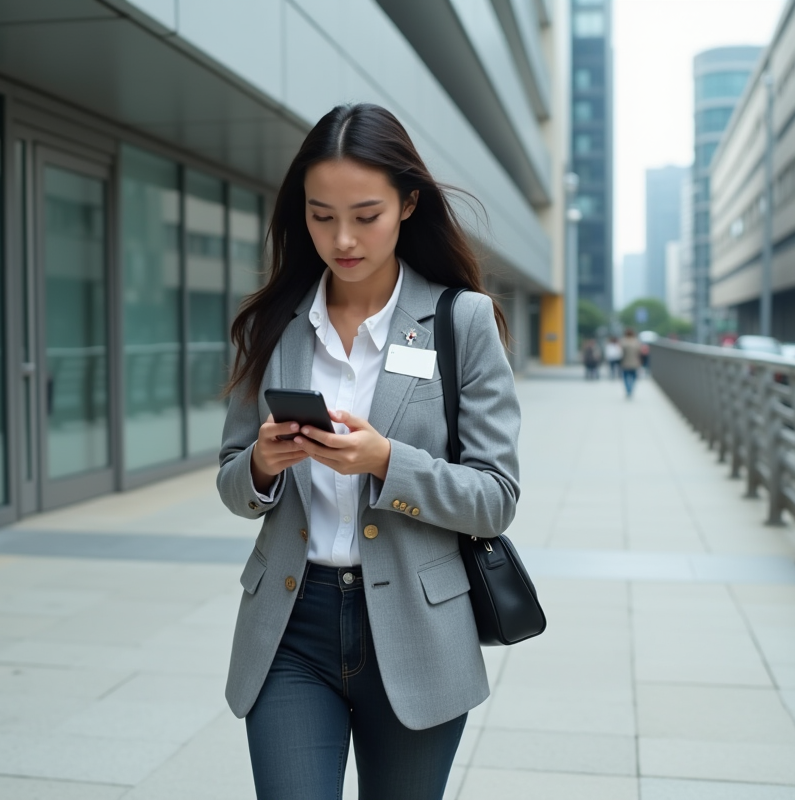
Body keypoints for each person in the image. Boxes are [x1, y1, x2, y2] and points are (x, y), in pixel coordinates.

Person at [217, 103, 521, 800]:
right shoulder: (274, 325)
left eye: (365, 214)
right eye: (321, 216)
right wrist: (262, 465)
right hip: (291, 626)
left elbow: (496, 497)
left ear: (409, 204)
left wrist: (387, 461)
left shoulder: (461, 321)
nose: (342, 238)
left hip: (418, 628)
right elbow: (232, 482)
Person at [620, 328, 641, 398]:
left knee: (625, 377)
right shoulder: (636, 342)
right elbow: (639, 353)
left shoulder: (623, 341)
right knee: (634, 377)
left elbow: (620, 353)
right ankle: (631, 388)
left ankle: (628, 389)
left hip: (625, 362)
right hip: (634, 362)